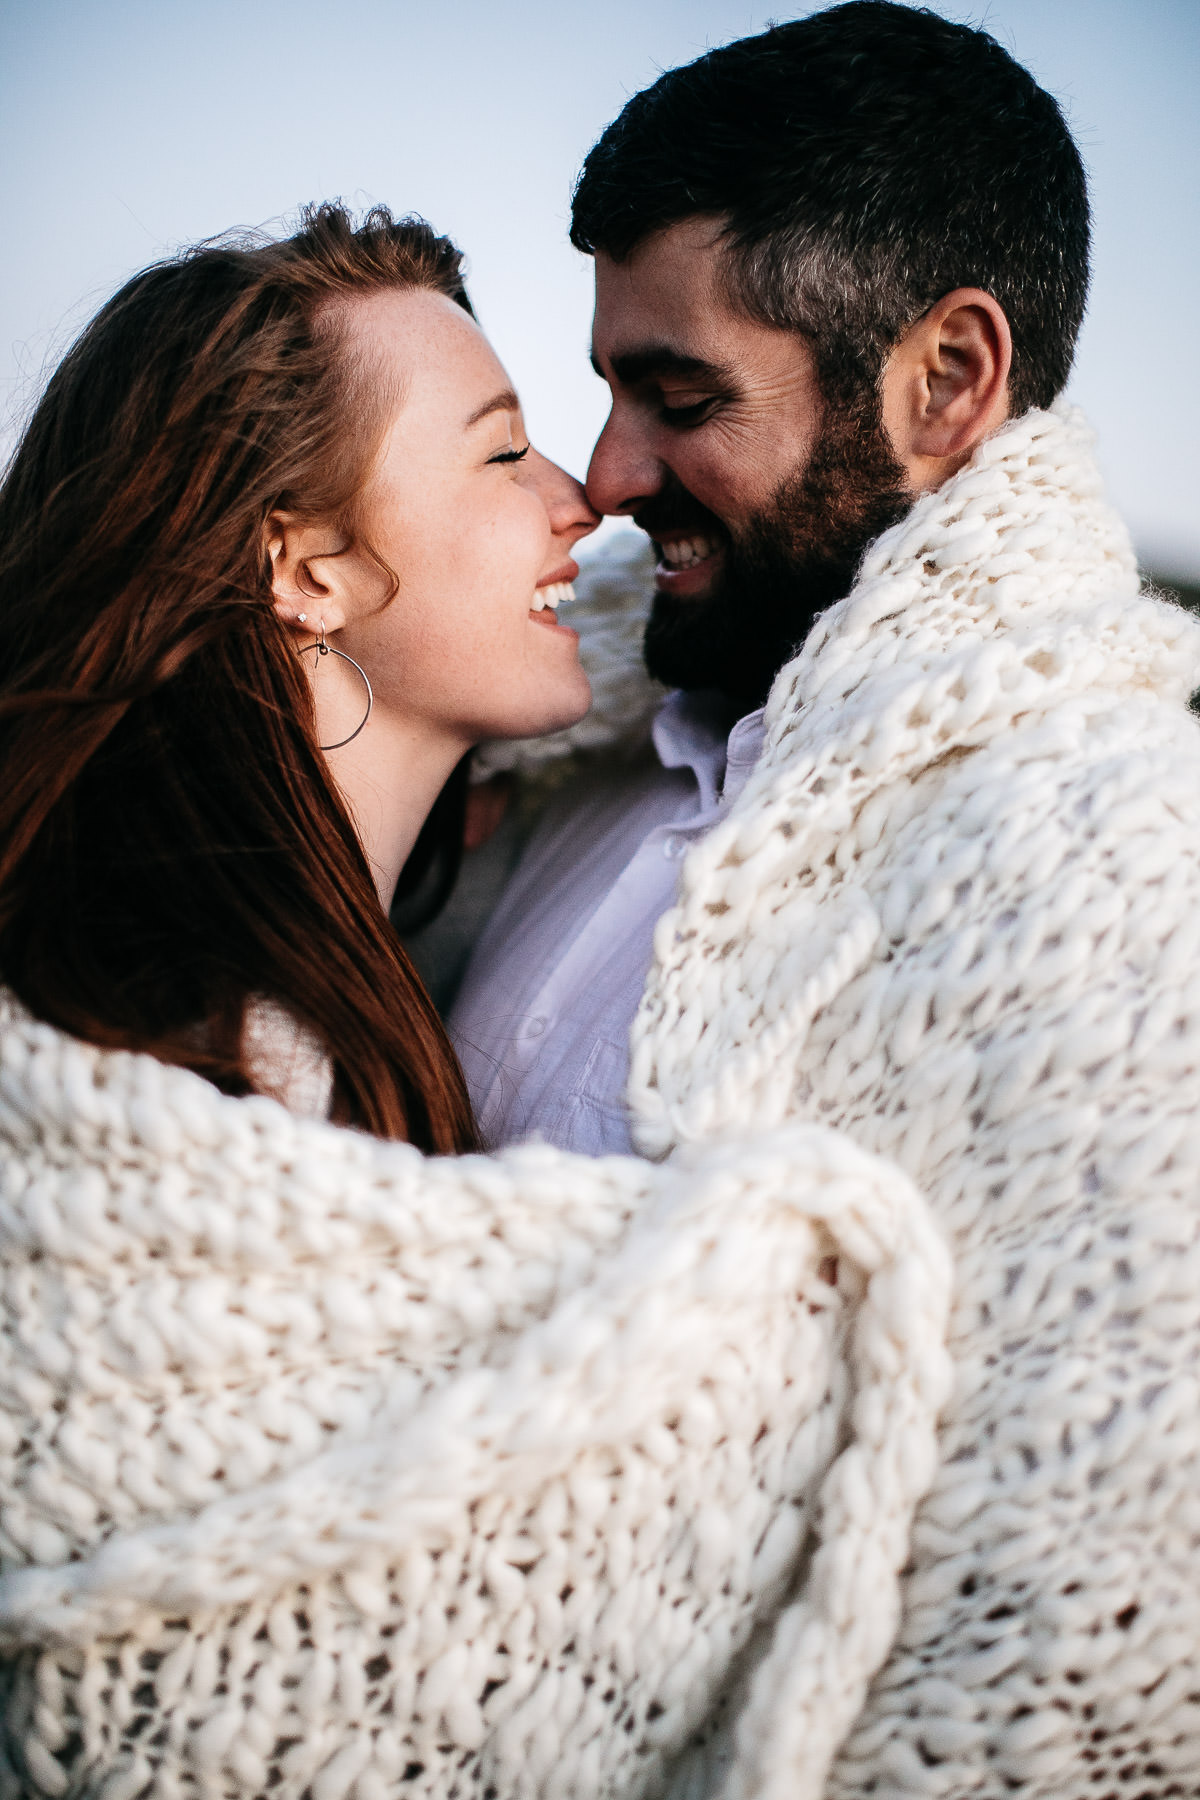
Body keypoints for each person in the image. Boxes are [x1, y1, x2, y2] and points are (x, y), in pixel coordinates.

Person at [0, 202, 953, 1799]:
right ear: (304, 569)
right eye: (505, 454)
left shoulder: (297, 971)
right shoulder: (209, 1066)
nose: (583, 498)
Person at [451, 3, 1200, 1790]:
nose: (612, 476)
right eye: (608, 387)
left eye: (680, 396)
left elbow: (1087, 1617)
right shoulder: (587, 753)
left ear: (947, 380)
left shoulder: (1118, 862)